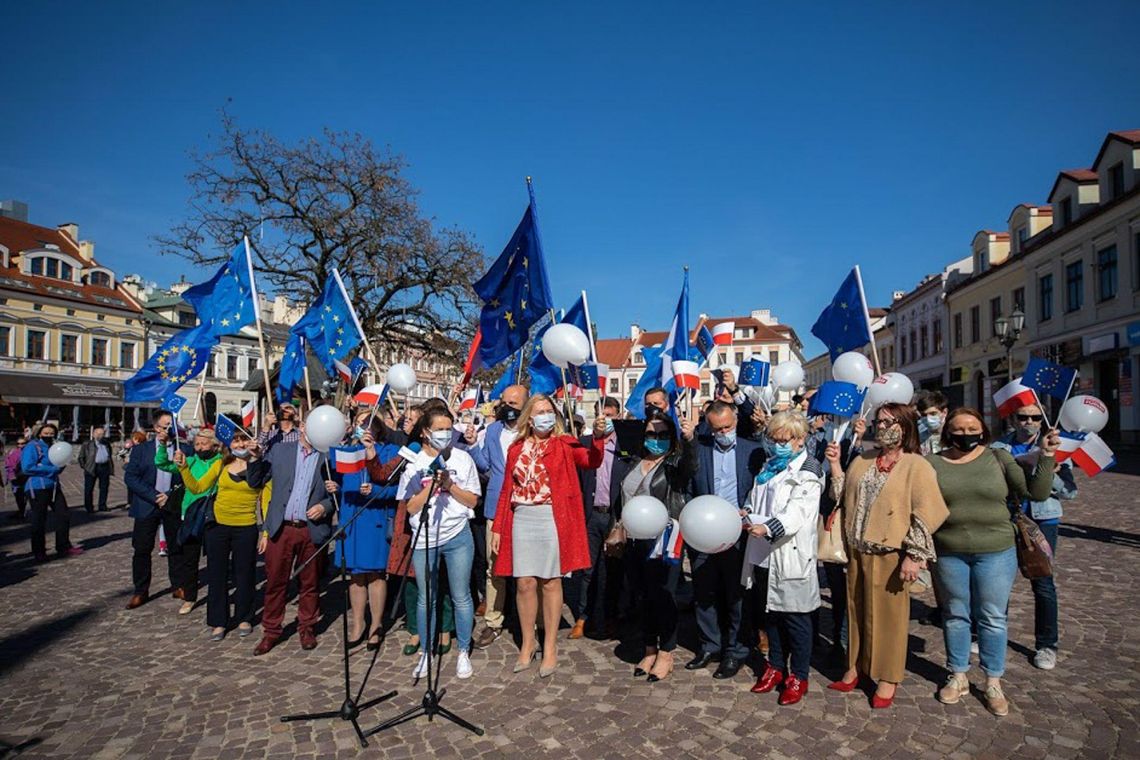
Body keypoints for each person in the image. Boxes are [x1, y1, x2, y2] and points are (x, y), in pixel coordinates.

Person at [927, 407, 1059, 716]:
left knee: (993, 616)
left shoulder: (998, 458)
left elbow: (1035, 494)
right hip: (948, 550)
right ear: (948, 432)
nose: (965, 434)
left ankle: (993, 681)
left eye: (972, 428)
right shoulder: (932, 463)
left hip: (996, 550)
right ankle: (958, 675)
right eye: (958, 430)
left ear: (982, 431)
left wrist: (1047, 456)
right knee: (955, 614)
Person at [824, 403, 949, 708]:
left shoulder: (916, 465)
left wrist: (915, 555)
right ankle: (855, 667)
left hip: (891, 553)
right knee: (856, 611)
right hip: (857, 550)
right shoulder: (864, 459)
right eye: (878, 422)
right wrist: (837, 466)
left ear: (904, 426)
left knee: (889, 617)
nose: (880, 427)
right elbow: (840, 496)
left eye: (887, 422)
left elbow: (927, 511)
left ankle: (888, 676)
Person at [491, 394, 606, 677]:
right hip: (522, 518)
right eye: (539, 411)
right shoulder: (516, 448)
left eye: (549, 411)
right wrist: (498, 526)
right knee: (525, 583)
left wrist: (599, 436)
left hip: (551, 517)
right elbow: (507, 489)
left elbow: (591, 460)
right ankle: (527, 643)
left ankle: (550, 646)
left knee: (551, 582)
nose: (544, 416)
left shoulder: (564, 444)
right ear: (529, 418)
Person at [741, 411, 824, 706]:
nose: (778, 444)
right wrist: (746, 512)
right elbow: (757, 498)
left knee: (796, 620)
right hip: (763, 554)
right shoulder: (769, 466)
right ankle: (776, 667)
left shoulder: (809, 471)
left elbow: (798, 511)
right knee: (770, 616)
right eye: (774, 438)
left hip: (789, 555)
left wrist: (768, 527)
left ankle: (798, 676)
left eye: (784, 439)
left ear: (800, 440)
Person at [991, 401, 1077, 671]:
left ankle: (1046, 645)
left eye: (1035, 418)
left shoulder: (1058, 449)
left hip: (1042, 521)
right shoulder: (998, 448)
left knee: (1042, 582)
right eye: (1023, 417)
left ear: (1042, 421)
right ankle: (991, 637)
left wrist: (1047, 470)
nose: (1028, 422)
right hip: (1006, 518)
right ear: (1013, 419)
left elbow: (1070, 492)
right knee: (997, 582)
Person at [399, 406, 481, 680]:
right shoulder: (413, 463)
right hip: (425, 537)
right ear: (425, 432)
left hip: (458, 534)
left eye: (450, 428)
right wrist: (430, 487)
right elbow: (410, 508)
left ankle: (463, 651)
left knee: (461, 595)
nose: (446, 434)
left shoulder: (462, 458)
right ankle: (425, 652)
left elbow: (472, 501)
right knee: (426, 598)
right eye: (440, 429)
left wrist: (450, 486)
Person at [687, 401, 766, 680]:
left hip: (738, 533)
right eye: (717, 429)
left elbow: (762, 488)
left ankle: (736, 650)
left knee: (737, 595)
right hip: (703, 532)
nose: (723, 433)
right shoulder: (700, 448)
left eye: (728, 427)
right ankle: (710, 645)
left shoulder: (752, 450)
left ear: (735, 422)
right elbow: (687, 487)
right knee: (704, 593)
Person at [246, 424, 337, 655]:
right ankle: (271, 631)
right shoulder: (280, 450)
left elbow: (338, 492)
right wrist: (255, 459)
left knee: (310, 582)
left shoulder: (329, 456)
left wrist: (325, 506)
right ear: (303, 427)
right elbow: (255, 481)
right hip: (281, 528)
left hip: (311, 529)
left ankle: (307, 627)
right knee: (276, 581)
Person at [623, 409, 697, 682]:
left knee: (664, 596)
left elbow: (692, 464)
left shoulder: (674, 464)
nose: (657, 439)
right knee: (642, 596)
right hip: (634, 539)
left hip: (664, 540)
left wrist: (689, 439)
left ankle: (667, 652)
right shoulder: (632, 461)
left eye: (663, 434)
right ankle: (649, 649)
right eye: (652, 434)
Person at [175, 432, 263, 641]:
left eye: (243, 439)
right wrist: (183, 467)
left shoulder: (259, 465)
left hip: (246, 526)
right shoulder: (220, 464)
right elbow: (197, 487)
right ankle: (218, 621)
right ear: (229, 444)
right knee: (217, 575)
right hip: (218, 527)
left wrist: (255, 458)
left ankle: (244, 617)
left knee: (245, 575)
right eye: (235, 440)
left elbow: (262, 492)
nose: (240, 443)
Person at [565, 397, 633, 640]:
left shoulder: (626, 446)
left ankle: (610, 616)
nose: (607, 421)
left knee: (613, 570)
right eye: (603, 415)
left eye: (612, 416)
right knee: (587, 569)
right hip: (591, 514)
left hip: (615, 516)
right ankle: (584, 617)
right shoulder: (584, 443)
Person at [469, 384, 529, 649]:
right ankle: (494, 620)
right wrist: (472, 445)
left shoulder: (532, 432)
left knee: (527, 567)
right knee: (495, 568)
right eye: (504, 402)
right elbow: (484, 464)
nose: (507, 407)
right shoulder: (492, 431)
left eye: (514, 404)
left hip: (526, 506)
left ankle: (529, 620)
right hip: (496, 506)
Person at [342, 415, 400, 651]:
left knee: (375, 575)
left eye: (365, 423)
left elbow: (397, 487)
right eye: (358, 423)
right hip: (352, 517)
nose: (361, 427)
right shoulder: (348, 450)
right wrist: (333, 486)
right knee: (356, 575)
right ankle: (358, 623)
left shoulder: (391, 451)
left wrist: (376, 490)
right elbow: (335, 477)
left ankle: (376, 626)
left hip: (375, 517)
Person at [123, 412, 192, 609]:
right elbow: (131, 478)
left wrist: (170, 494)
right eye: (164, 426)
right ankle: (141, 590)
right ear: (156, 428)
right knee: (142, 548)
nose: (168, 429)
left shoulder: (184, 449)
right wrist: (154, 496)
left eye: (172, 425)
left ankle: (178, 585)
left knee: (176, 546)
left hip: (172, 503)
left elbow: (189, 479)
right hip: (147, 504)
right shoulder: (142, 450)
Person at [155, 429, 222, 614]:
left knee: (216, 557)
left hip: (209, 514)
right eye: (197, 444)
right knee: (189, 558)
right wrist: (162, 446)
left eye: (204, 444)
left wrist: (184, 469)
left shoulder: (218, 462)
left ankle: (219, 592)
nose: (200, 447)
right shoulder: (191, 460)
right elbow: (162, 464)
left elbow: (199, 486)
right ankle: (190, 596)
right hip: (189, 515)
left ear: (214, 445)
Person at [22, 423, 82, 561]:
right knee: (39, 520)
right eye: (46, 433)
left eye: (51, 433)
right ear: (39, 433)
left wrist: (59, 467)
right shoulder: (33, 447)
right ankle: (39, 551)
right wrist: (50, 470)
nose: (49, 435)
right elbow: (27, 467)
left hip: (54, 487)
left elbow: (58, 462)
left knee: (63, 515)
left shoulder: (53, 447)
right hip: (37, 488)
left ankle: (63, 546)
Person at [78, 426, 114, 513]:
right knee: (89, 488)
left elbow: (110, 454)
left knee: (104, 487)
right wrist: (85, 466)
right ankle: (89, 507)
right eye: (98, 433)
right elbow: (81, 457)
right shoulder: (87, 444)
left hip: (104, 467)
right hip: (91, 468)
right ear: (93, 434)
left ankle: (102, 505)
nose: (100, 435)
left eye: (102, 434)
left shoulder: (106, 443)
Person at [916, 391, 949, 455]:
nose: (928, 418)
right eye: (924, 415)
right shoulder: (919, 437)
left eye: (933, 413)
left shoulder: (952, 435)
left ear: (944, 412)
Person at [5, 437, 28, 520]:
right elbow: (8, 465)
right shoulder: (13, 452)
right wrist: (10, 476)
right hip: (15, 477)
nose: (20, 445)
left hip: (25, 477)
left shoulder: (29, 453)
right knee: (18, 496)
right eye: (18, 443)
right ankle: (21, 511)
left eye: (23, 443)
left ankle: (22, 512)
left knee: (23, 495)